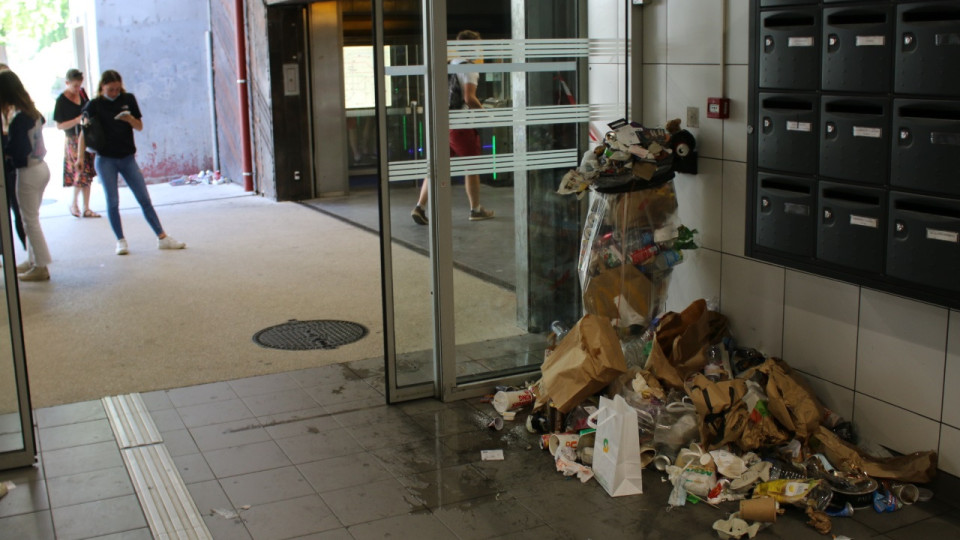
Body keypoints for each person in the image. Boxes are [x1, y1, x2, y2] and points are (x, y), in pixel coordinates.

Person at [77, 70, 184, 255]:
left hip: (127, 158)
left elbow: (139, 126)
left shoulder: (128, 99)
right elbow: (83, 133)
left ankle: (162, 237)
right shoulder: (93, 105)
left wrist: (130, 119)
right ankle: (120, 240)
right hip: (105, 159)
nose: (114, 93)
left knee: (144, 198)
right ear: (102, 87)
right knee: (112, 201)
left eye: (117, 89)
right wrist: (80, 157)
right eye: (110, 90)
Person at [411, 29, 494, 225]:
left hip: (442, 124)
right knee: (471, 166)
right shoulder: (469, 68)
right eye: (477, 47)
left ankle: (420, 207)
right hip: (460, 125)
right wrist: (486, 116)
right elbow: (469, 98)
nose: (479, 51)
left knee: (437, 167)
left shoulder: (448, 65)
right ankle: (476, 209)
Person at [0, 70, 53, 281]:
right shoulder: (33, 112)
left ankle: (41, 266)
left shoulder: (19, 119)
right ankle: (33, 260)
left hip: (29, 171)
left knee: (29, 220)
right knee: (30, 218)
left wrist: (7, 154)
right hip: (41, 168)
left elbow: (18, 151)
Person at [54, 68, 99, 218]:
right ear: (67, 83)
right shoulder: (61, 101)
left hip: (86, 136)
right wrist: (76, 120)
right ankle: (74, 203)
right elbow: (59, 125)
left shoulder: (82, 94)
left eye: (79, 85)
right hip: (73, 139)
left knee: (87, 173)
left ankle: (86, 206)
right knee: (81, 171)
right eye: (74, 86)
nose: (77, 89)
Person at [0, 62, 26, 250]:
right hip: (8, 164)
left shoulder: (19, 110)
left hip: (15, 166)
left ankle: (31, 255)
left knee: (21, 211)